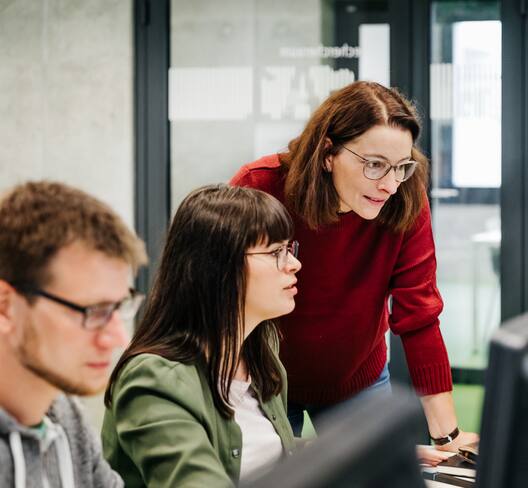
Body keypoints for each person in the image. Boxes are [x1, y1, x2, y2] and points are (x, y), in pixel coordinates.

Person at [231, 80, 478, 456]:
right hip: (266, 379)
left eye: (401, 167)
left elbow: (420, 316)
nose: (390, 185)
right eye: (375, 165)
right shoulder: (261, 187)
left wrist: (448, 437)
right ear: (328, 153)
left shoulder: (405, 200)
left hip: (357, 378)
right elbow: (222, 297)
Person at [102, 184, 301, 487]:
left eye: (289, 249)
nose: (294, 264)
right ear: (219, 269)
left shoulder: (260, 350)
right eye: (276, 252)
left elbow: (269, 454)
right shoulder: (153, 379)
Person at [0, 181, 147, 487]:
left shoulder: (64, 416)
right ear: (5, 307)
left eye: (119, 307)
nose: (118, 338)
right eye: (93, 311)